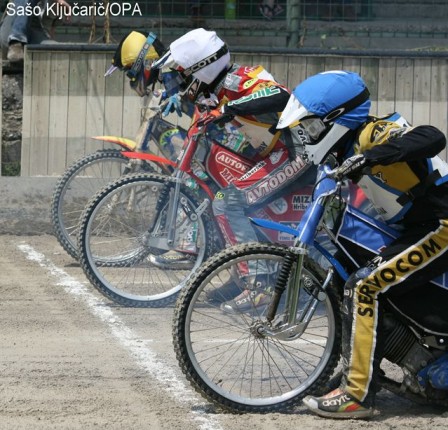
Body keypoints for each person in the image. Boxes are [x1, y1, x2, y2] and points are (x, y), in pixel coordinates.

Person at [105, 28, 317, 310]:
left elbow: (280, 95)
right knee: (220, 192)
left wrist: (229, 109)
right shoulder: (216, 88)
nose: (182, 79)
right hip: (276, 154)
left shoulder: (240, 79)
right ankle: (241, 275)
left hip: (297, 154)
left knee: (228, 203)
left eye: (184, 73)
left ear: (201, 69)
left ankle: (259, 284)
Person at [277, 70, 448, 418]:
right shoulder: (341, 152)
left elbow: (432, 136)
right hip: (417, 227)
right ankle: (359, 368)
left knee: (365, 286)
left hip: (442, 226)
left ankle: (356, 395)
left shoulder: (372, 134)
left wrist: (371, 157)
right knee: (350, 273)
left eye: (310, 128)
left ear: (336, 120)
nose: (306, 137)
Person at [1, 0, 71, 63]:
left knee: (59, 50)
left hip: (34, 36)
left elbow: (52, 31)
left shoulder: (56, 6)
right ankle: (16, 41)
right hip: (10, 31)